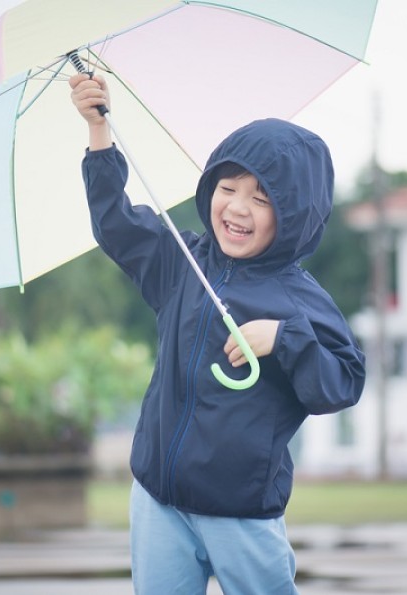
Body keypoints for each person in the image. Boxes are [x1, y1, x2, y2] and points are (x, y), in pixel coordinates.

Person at [69, 73, 366, 594]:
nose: (236, 208)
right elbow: (115, 223)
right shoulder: (183, 263)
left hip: (242, 514)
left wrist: (286, 338)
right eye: (227, 188)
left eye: (261, 198)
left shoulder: (298, 298)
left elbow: (343, 381)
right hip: (159, 499)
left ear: (294, 215)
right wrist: (99, 132)